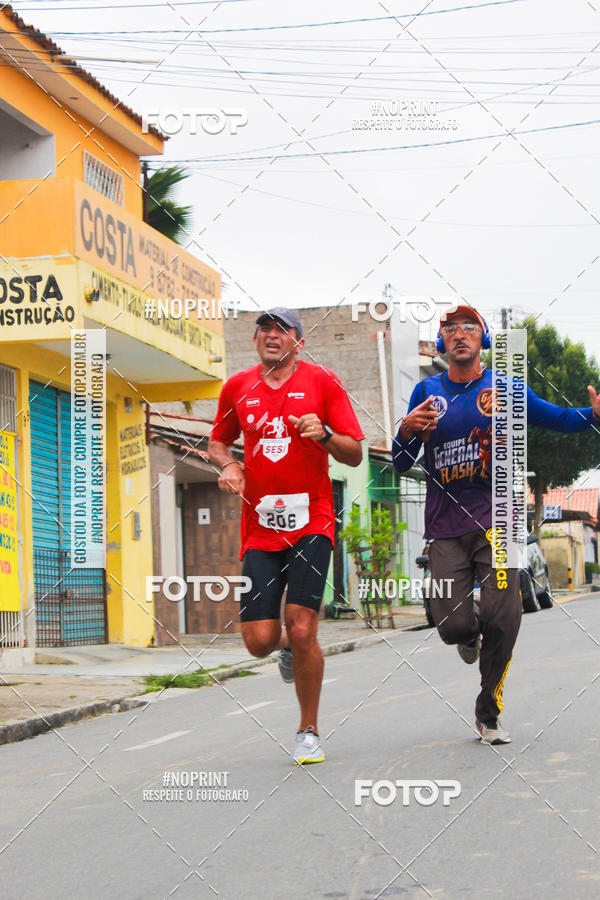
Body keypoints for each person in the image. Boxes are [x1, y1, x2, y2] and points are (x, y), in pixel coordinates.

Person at [393, 304, 600, 745]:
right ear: (443, 340)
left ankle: (488, 713)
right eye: (451, 328)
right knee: (453, 626)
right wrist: (406, 431)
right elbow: (399, 462)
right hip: (446, 525)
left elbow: (559, 419)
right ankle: (470, 635)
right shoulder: (426, 392)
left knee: (505, 618)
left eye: (469, 326)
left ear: (483, 339)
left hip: (499, 519)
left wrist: (594, 416)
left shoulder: (505, 387)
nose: (460, 333)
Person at [208, 307, 364, 764]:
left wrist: (325, 433)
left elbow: (354, 453)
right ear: (255, 341)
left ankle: (308, 730)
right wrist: (230, 465)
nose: (271, 335)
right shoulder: (237, 388)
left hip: (312, 521)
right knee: (259, 639)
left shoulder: (323, 382)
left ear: (298, 342)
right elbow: (218, 442)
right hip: (260, 527)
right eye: (264, 329)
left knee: (302, 625)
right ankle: (286, 650)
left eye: (282, 330)